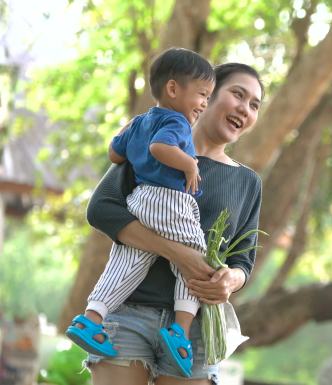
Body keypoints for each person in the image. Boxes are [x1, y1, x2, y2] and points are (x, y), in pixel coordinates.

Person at [83, 62, 264, 385]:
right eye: (237, 94)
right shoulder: (156, 148)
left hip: (195, 327)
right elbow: (101, 209)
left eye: (254, 105)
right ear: (206, 96)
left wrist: (229, 280)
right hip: (128, 314)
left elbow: (243, 261)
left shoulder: (247, 182)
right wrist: (181, 254)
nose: (245, 109)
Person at [66, 47, 215, 378]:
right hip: (169, 201)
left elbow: (115, 155)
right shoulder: (175, 121)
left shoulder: (139, 122)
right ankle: (180, 330)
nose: (204, 104)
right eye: (202, 94)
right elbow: (159, 148)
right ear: (173, 89)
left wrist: (126, 134)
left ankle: (92, 319)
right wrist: (189, 162)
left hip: (141, 200)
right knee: (194, 257)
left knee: (128, 261)